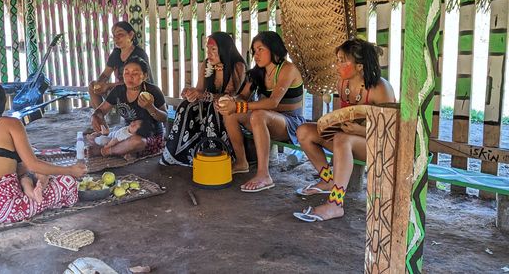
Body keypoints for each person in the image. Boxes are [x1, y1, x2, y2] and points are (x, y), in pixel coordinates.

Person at [293, 38, 395, 222]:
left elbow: (391, 131)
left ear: (359, 66)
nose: (337, 65)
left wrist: (358, 131)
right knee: (304, 131)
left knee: (342, 139)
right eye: (337, 60)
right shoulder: (343, 84)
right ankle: (327, 180)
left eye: (342, 60)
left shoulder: (380, 88)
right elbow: (345, 116)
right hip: (350, 140)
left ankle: (335, 204)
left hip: (379, 146)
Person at [0, 81, 87, 223]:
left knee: (24, 174)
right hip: (4, 208)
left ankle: (31, 191)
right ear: (2, 102)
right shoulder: (12, 123)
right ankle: (35, 196)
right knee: (67, 183)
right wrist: (70, 170)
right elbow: (33, 164)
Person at [217, 31, 306, 193]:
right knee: (229, 113)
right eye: (254, 50)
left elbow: (272, 103)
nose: (256, 54)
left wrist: (239, 106)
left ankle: (264, 175)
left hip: (291, 124)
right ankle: (241, 162)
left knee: (258, 114)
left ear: (274, 49)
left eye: (260, 49)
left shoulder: (288, 69)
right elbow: (243, 96)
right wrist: (229, 103)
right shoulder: (257, 72)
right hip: (266, 120)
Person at [160, 32, 247, 169]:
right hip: (208, 106)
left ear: (224, 50)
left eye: (213, 50)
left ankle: (214, 154)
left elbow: (230, 96)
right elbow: (200, 89)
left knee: (217, 106)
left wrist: (205, 96)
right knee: (185, 106)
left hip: (231, 110)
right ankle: (180, 155)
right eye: (208, 49)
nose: (209, 53)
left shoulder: (237, 66)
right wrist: (190, 93)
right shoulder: (206, 64)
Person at [90, 57, 168, 159]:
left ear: (144, 76)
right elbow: (101, 110)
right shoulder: (118, 90)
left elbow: (164, 117)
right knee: (95, 137)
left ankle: (106, 151)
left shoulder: (153, 91)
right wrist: (95, 116)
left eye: (135, 73)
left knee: (137, 142)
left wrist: (150, 107)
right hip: (126, 133)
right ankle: (122, 150)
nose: (130, 77)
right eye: (126, 73)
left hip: (150, 136)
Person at [88, 21, 151, 109]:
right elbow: (105, 74)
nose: (116, 39)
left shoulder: (139, 54)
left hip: (139, 91)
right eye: (114, 36)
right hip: (122, 89)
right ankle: (100, 117)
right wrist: (99, 84)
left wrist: (108, 86)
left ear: (131, 35)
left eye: (120, 35)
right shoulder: (116, 53)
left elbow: (135, 82)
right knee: (92, 85)